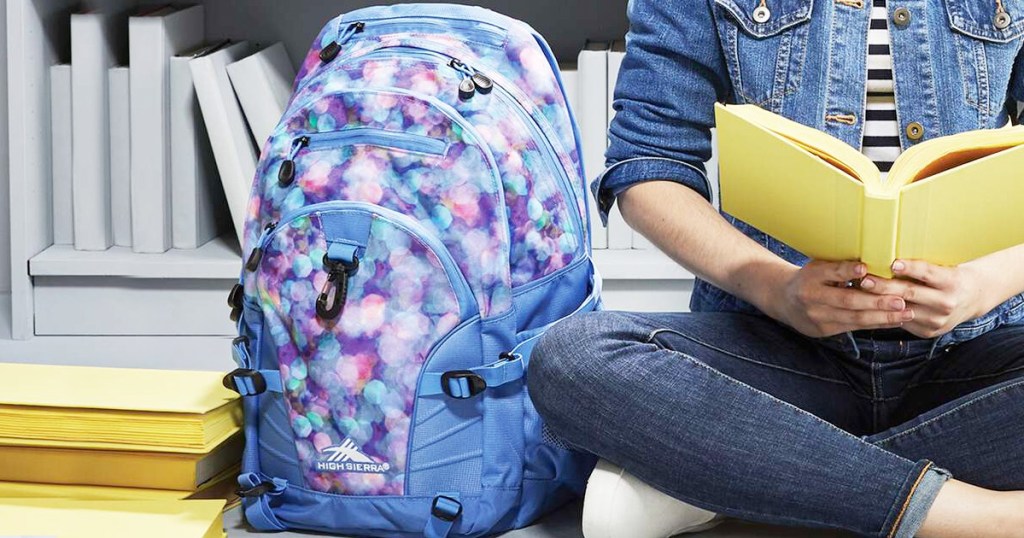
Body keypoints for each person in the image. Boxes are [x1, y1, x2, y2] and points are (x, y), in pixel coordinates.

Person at [528, 0, 1024, 537]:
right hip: (779, 354)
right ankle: (975, 516)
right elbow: (648, 168)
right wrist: (777, 288)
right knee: (573, 356)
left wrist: (982, 285)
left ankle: (726, 477)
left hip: (969, 355)